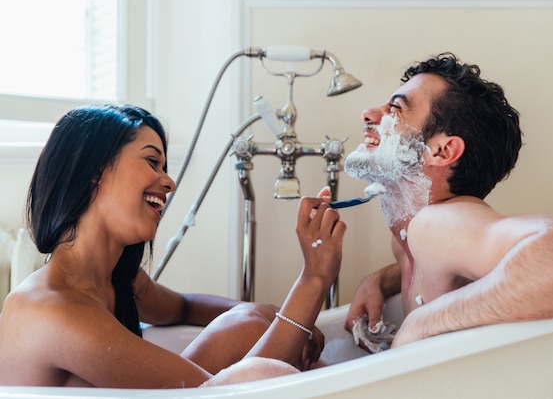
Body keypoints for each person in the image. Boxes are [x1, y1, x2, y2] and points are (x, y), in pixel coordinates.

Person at [0, 104, 346, 387]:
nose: (169, 181)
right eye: (152, 162)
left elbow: (182, 307)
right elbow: (214, 397)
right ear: (94, 170)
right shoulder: (52, 310)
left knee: (249, 322)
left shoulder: (117, 277)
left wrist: (267, 314)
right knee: (248, 326)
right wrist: (314, 279)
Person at [341, 52, 553, 350]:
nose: (370, 113)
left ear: (441, 151)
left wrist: (420, 323)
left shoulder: (434, 224)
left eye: (396, 109)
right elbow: (446, 259)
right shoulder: (410, 239)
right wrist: (376, 280)